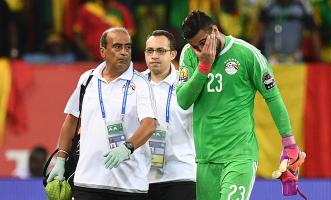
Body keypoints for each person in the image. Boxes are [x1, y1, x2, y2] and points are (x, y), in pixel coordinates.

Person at [176, 10, 305, 200]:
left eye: (204, 43)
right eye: (195, 46)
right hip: (205, 160)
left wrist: (289, 144)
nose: (201, 51)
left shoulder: (247, 54)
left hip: (239, 157)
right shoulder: (190, 54)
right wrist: (203, 66)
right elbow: (183, 101)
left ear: (214, 30)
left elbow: (273, 97)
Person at [47, 27, 156, 200]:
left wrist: (126, 148)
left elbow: (150, 125)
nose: (124, 53)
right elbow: (71, 121)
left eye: (127, 47)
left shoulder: (141, 84)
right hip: (87, 183)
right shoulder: (87, 79)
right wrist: (61, 159)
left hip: (129, 186)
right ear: (103, 51)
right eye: (117, 47)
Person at [142, 30, 196, 200]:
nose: (154, 56)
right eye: (149, 51)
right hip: (141, 177)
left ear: (173, 54)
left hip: (181, 174)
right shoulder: (133, 84)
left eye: (160, 51)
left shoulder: (189, 83)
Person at [251, 0, 321, 63]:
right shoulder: (268, 5)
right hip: (271, 59)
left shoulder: (304, 4)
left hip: (294, 60)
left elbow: (314, 31)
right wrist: (249, 56)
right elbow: (259, 32)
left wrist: (319, 59)